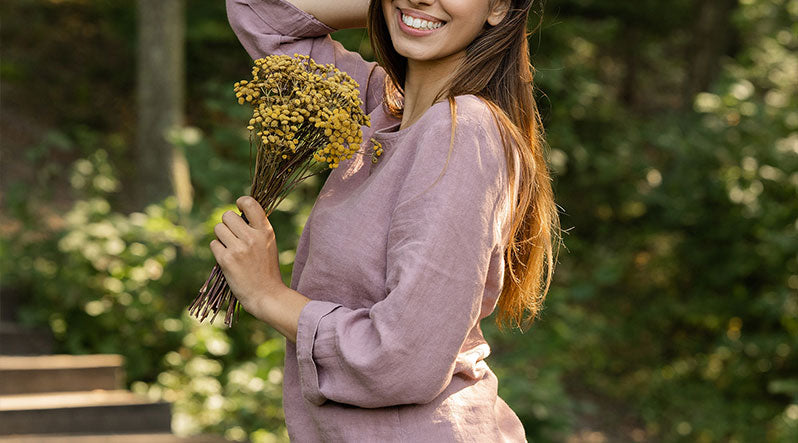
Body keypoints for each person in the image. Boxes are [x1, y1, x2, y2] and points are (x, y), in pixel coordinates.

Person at [210, 0, 561, 441]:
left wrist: (266, 294)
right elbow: (258, 12)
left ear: (498, 7)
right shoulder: (377, 108)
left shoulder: (463, 129)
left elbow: (402, 358)